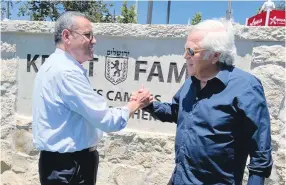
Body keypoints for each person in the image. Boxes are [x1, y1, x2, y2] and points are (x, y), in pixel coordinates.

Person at [133, 18, 273, 185]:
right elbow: (177, 112)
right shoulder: (191, 83)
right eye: (185, 49)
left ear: (215, 55)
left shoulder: (246, 87)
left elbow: (260, 153)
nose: (185, 56)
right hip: (180, 179)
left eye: (191, 51)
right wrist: (149, 105)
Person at [32, 11, 151, 185]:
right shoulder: (67, 72)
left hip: (63, 166)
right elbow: (106, 120)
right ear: (67, 36)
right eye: (87, 35)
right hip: (70, 169)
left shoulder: (54, 65)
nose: (93, 40)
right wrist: (136, 104)